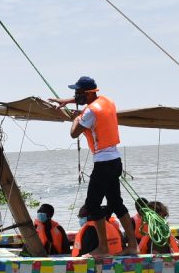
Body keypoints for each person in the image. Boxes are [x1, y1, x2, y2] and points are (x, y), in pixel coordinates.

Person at [51, 76, 138, 256]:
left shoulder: (89, 112)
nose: (76, 95)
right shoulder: (107, 101)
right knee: (116, 203)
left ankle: (103, 248)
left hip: (103, 163)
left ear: (89, 93)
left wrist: (77, 118)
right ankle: (133, 246)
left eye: (78, 93)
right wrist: (69, 101)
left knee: (92, 205)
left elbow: (74, 133)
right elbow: (90, 105)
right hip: (115, 161)